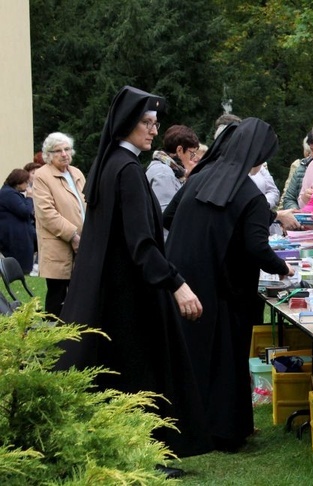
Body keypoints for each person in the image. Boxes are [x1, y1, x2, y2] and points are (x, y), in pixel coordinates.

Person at [56, 86, 211, 466]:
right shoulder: (126, 170)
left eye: (155, 123)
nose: (153, 130)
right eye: (146, 122)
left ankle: (133, 453)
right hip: (131, 295)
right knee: (140, 377)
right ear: (126, 123)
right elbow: (142, 242)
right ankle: (146, 456)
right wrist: (178, 284)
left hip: (115, 291)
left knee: (124, 376)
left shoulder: (112, 164)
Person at [165, 117, 294, 452]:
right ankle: (225, 430)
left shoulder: (200, 177)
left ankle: (190, 424)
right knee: (227, 357)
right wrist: (282, 267)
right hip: (225, 286)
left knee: (194, 354)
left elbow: (168, 217)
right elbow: (256, 245)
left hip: (185, 278)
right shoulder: (249, 194)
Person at [33, 132, 86, 316]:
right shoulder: (42, 176)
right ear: (48, 154)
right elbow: (46, 213)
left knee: (80, 295)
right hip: (58, 245)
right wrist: (73, 235)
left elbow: (85, 203)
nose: (64, 154)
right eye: (58, 151)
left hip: (82, 242)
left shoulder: (76, 172)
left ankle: (76, 338)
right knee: (58, 295)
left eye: (67, 149)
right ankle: (53, 339)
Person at [146, 124, 200, 211]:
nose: (193, 158)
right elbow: (164, 214)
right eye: (192, 153)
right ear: (179, 150)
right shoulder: (164, 173)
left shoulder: (170, 170)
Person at [0, 169, 36, 273]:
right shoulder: (9, 194)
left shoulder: (10, 193)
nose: (27, 185)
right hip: (15, 239)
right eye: (26, 182)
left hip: (18, 237)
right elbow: (25, 212)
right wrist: (29, 198)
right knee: (21, 269)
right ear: (18, 182)